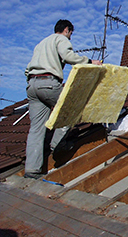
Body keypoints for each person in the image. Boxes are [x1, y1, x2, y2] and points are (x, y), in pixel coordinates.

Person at [24, 19, 102, 179]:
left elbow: (27, 69)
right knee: (71, 110)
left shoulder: (41, 43)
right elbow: (68, 56)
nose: (70, 37)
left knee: (36, 130)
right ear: (66, 30)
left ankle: (31, 171)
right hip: (48, 83)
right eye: (70, 34)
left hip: (32, 85)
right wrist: (90, 62)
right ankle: (57, 145)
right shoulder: (60, 39)